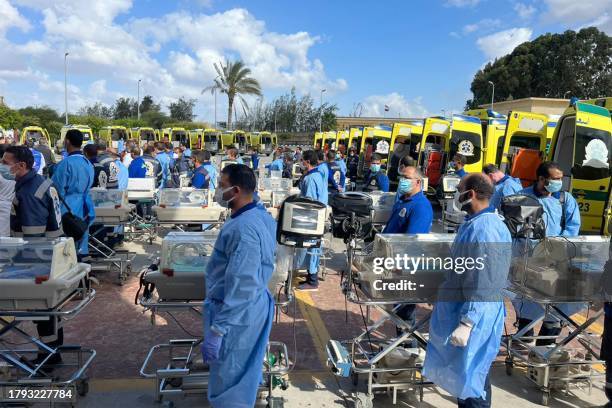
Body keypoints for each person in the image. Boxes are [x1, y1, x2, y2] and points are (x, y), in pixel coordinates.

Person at [423, 173, 512, 408]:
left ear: (470, 194)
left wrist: (468, 322)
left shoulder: (485, 230)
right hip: (465, 308)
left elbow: (484, 279)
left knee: (473, 381)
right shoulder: (474, 224)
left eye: (458, 190)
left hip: (476, 315)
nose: (455, 195)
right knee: (467, 379)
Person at [202, 163, 275, 407]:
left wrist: (218, 329)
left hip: (237, 314)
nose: (218, 191)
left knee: (230, 375)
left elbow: (242, 283)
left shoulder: (244, 229)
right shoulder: (258, 215)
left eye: (222, 186)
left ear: (236, 190)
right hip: (250, 307)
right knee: (242, 370)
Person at [6, 146, 65, 366]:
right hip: (54, 252)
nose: (3, 166)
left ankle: (48, 356)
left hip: (40, 256)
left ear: (21, 165)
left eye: (5, 162)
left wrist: (21, 266)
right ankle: (52, 350)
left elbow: (33, 237)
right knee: (50, 309)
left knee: (42, 309)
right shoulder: (41, 182)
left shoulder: (29, 191)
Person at [513, 161, 581, 345]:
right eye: (555, 179)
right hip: (528, 260)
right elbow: (514, 227)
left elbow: (573, 228)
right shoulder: (521, 198)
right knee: (527, 300)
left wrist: (555, 247)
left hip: (556, 261)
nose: (559, 182)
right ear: (541, 179)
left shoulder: (565, 199)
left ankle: (546, 342)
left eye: (561, 178)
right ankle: (525, 336)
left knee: (554, 303)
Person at [383, 165, 433, 346]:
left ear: (418, 182)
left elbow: (413, 240)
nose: (402, 181)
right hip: (392, 262)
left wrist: (399, 265)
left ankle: (407, 346)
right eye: (401, 177)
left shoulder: (421, 206)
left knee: (405, 311)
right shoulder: (403, 201)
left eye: (406, 178)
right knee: (397, 310)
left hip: (406, 267)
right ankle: (401, 342)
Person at [52, 129, 95, 257]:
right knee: (82, 237)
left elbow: (56, 190)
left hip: (67, 207)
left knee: (67, 245)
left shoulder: (65, 164)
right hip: (85, 206)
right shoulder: (88, 164)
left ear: (67, 141)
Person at [296, 150, 327, 291]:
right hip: (319, 217)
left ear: (307, 162)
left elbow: (308, 202)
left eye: (302, 160)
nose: (301, 163)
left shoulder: (310, 179)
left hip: (312, 218)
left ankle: (312, 280)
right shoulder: (319, 175)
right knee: (314, 247)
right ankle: (311, 276)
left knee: (311, 248)